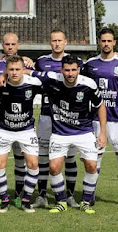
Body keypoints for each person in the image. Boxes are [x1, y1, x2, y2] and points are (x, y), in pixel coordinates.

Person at [25, 54, 107, 214]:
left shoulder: (88, 85)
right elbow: (26, 72)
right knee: (54, 167)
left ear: (79, 70)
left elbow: (100, 105)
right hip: (60, 133)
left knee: (91, 166)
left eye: (73, 70)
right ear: (61, 70)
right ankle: (61, 201)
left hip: (84, 132)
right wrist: (13, 68)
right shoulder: (51, 78)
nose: (70, 74)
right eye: (67, 70)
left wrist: (102, 132)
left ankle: (85, 201)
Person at [33, 29, 83, 209]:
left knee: (69, 158)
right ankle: (42, 196)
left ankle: (69, 196)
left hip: (68, 118)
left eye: (60, 40)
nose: (56, 43)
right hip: (47, 116)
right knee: (43, 158)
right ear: (50, 42)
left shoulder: (76, 62)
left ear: (65, 42)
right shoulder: (41, 61)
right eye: (53, 40)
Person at [0, 55, 40, 213]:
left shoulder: (34, 83)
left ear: (24, 69)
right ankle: (4, 200)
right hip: (4, 130)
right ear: (6, 70)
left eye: (18, 69)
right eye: (11, 69)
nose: (15, 72)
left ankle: (25, 200)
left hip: (26, 130)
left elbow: (52, 84)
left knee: (33, 164)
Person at [0, 33, 29, 209]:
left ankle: (18, 194)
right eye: (7, 44)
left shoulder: (26, 64)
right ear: (2, 45)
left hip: (21, 122)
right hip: (0, 120)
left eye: (13, 44)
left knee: (21, 160)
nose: (10, 47)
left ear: (18, 45)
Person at [82, 27, 118, 196]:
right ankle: (90, 195)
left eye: (109, 41)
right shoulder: (90, 64)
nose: (106, 44)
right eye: (103, 41)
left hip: (117, 120)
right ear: (99, 42)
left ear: (114, 43)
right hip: (96, 119)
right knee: (95, 159)